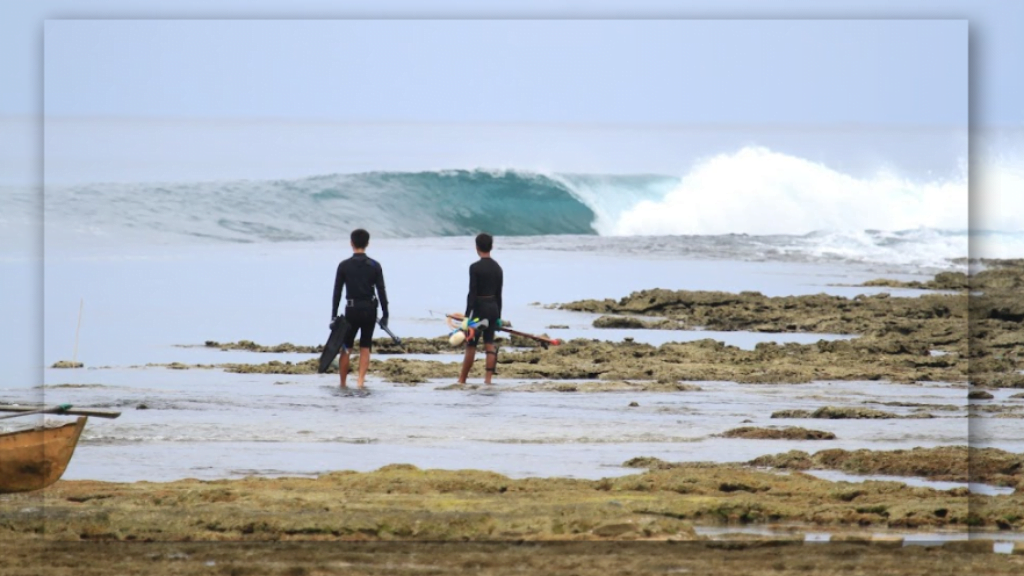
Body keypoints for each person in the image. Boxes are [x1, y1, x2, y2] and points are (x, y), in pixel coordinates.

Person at [331, 228, 389, 390]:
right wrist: (385, 314)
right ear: (367, 244)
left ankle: (342, 383)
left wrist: (333, 316)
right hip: (369, 310)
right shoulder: (375, 265)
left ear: (351, 243)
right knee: (365, 346)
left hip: (351, 310)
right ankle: (360, 381)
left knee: (346, 347)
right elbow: (381, 291)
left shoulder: (343, 266)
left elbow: (337, 292)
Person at [457, 233, 503, 385]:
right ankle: (488, 380)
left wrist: (466, 317)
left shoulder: (475, 268)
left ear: (477, 247)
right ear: (492, 246)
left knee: (471, 343)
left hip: (479, 311)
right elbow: (499, 294)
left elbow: (472, 293)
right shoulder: (498, 268)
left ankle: (462, 380)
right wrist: (498, 317)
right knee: (489, 342)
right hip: (493, 309)